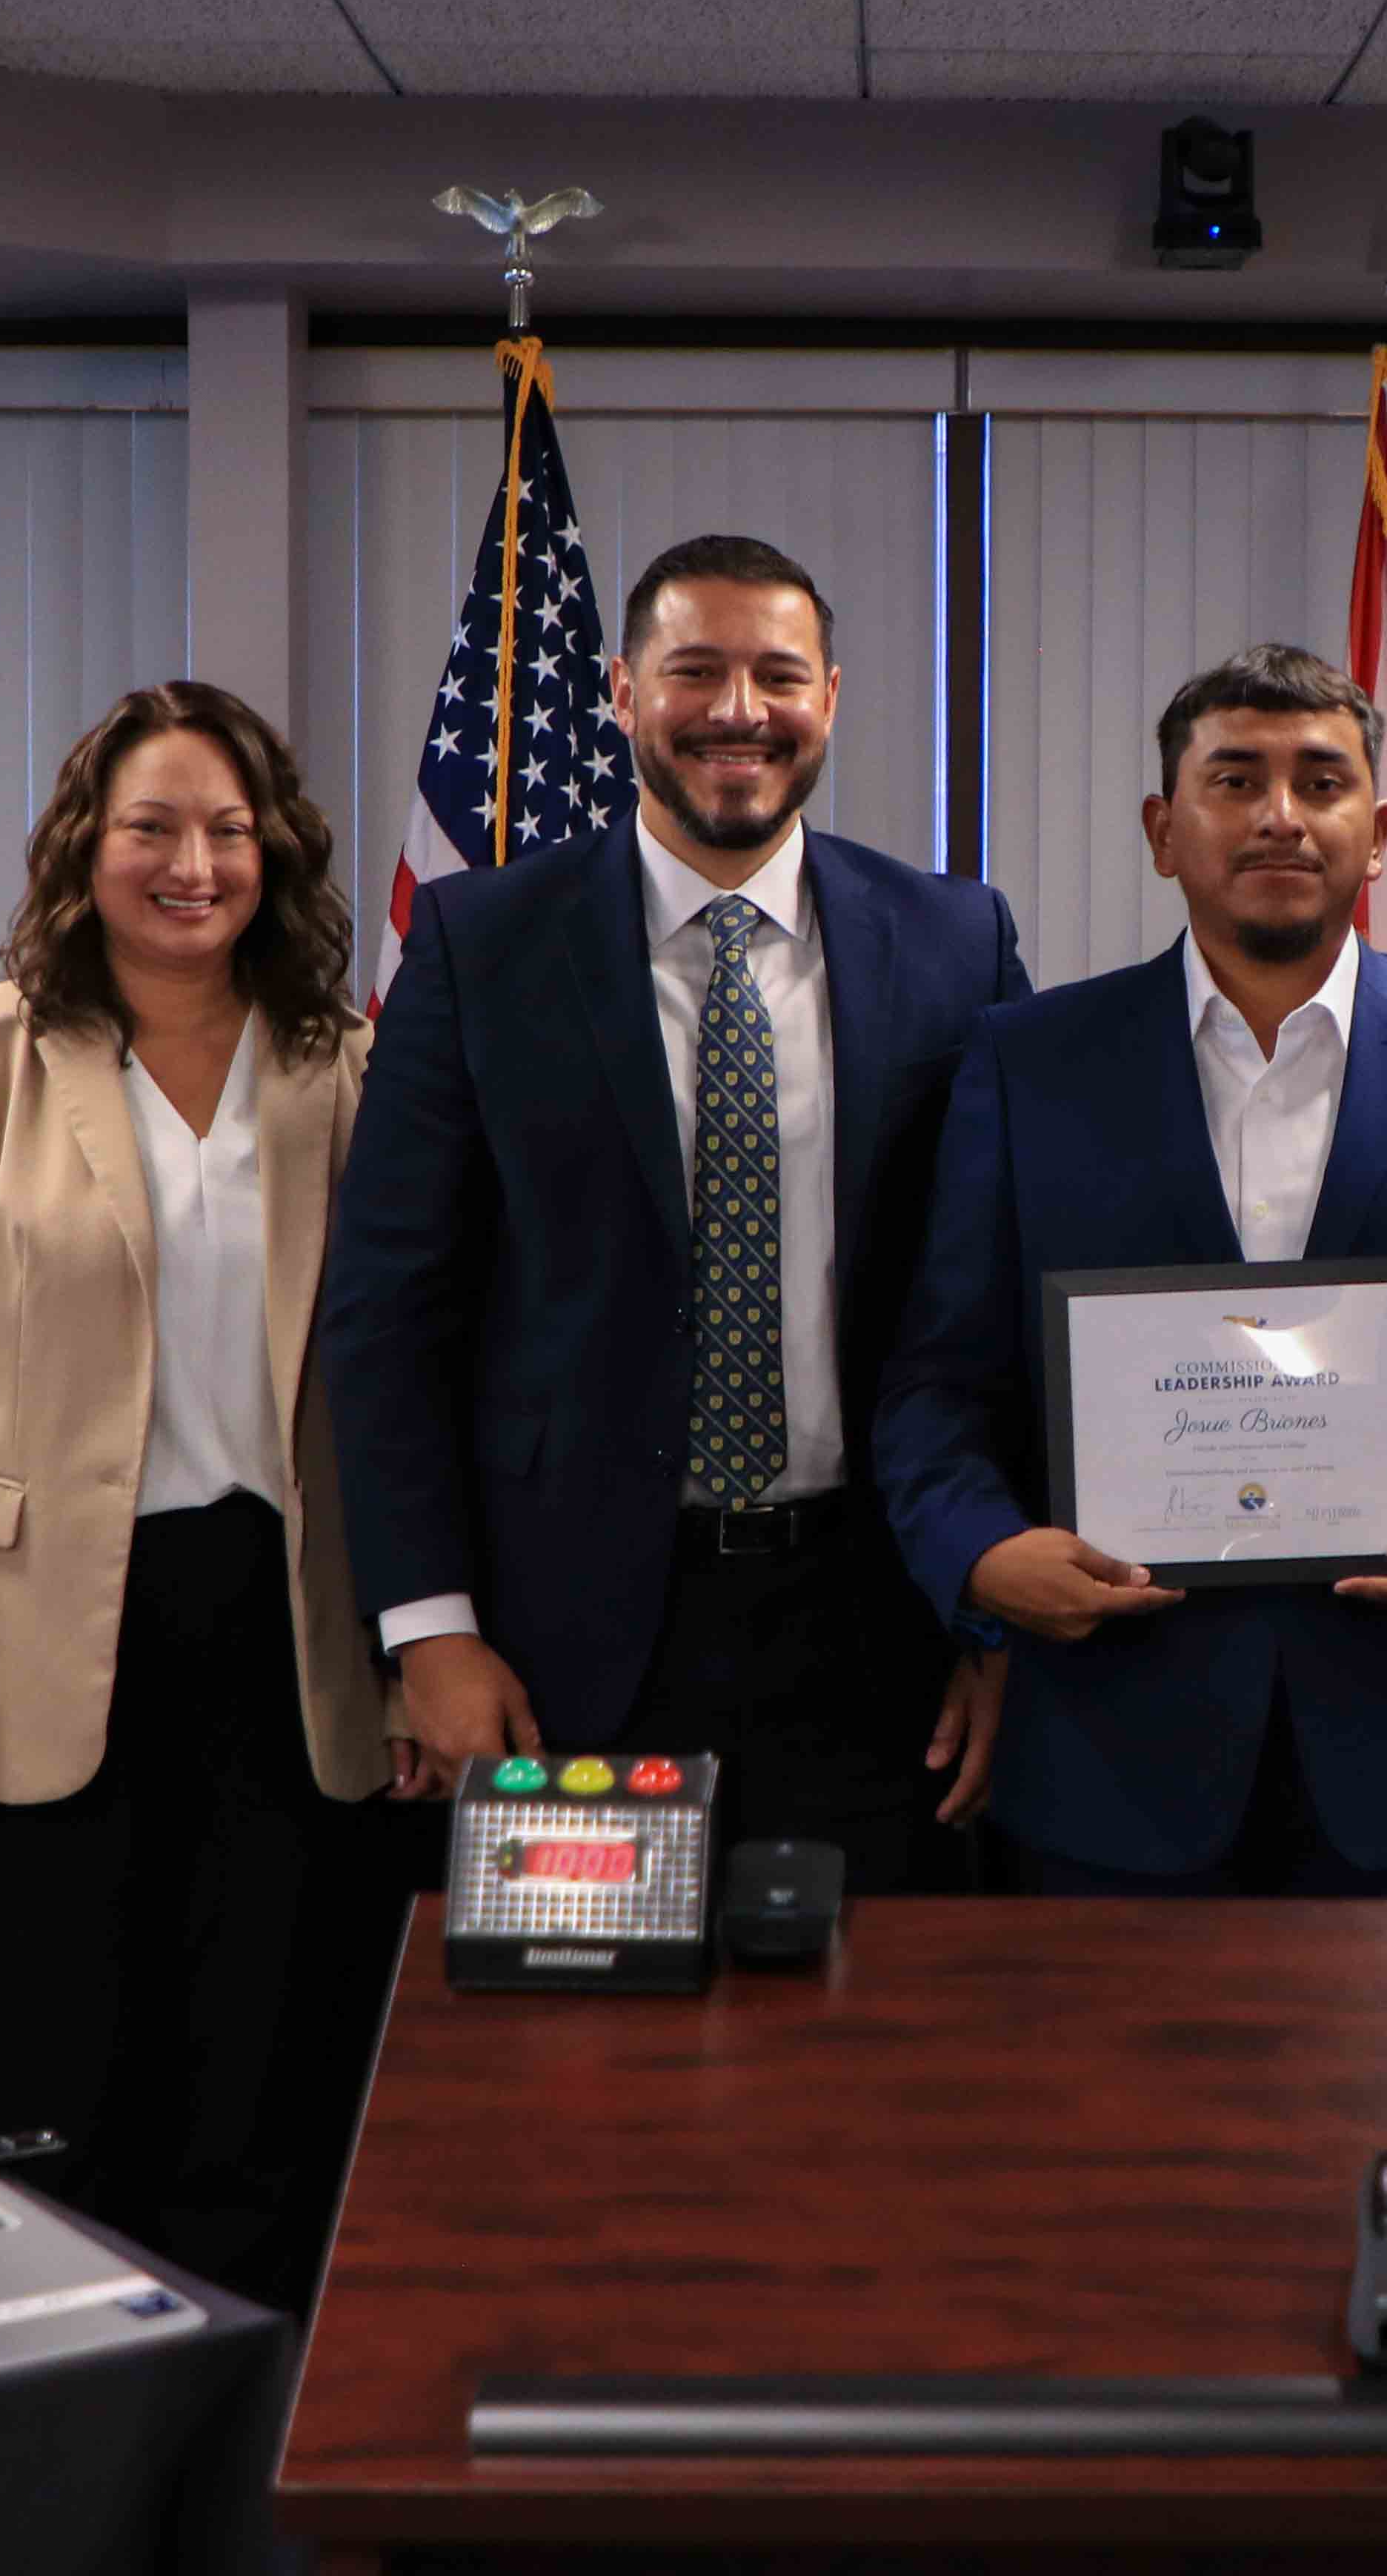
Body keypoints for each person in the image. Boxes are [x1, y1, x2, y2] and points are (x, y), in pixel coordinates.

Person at [322, 534, 1031, 1891]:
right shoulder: (482, 947)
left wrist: (995, 1623)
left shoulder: (956, 942)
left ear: (832, 693)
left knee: (867, 2055)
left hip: (879, 1624)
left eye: (778, 674)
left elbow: (992, 1299)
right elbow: (386, 1315)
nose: (738, 710)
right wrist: (429, 1628)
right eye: (695, 670)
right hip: (560, 1641)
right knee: (589, 2071)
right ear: (625, 689)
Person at [877, 645, 1387, 1893]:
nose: (1281, 815)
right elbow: (936, 1386)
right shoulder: (1030, 1065)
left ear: (1379, 830)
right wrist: (982, 1556)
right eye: (1235, 779)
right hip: (1107, 1768)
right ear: (1162, 829)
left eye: (1321, 781)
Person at [0, 680, 398, 2314]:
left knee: (260, 2092)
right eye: (151, 826)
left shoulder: (340, 1063)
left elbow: (396, 1385)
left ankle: (242, 2466)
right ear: (88, 846)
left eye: (229, 831)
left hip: (286, 1647)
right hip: (38, 1642)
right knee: (57, 2090)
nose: (192, 864)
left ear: (273, 856)